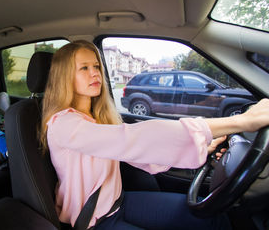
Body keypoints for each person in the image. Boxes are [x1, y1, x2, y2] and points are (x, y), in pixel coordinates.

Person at [40, 40, 269, 230]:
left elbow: (137, 153)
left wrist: (200, 146)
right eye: (84, 68)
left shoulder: (96, 118)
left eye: (97, 67)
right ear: (65, 76)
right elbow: (132, 139)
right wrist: (240, 121)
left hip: (119, 203)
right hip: (93, 222)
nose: (95, 73)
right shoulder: (64, 124)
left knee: (211, 217)